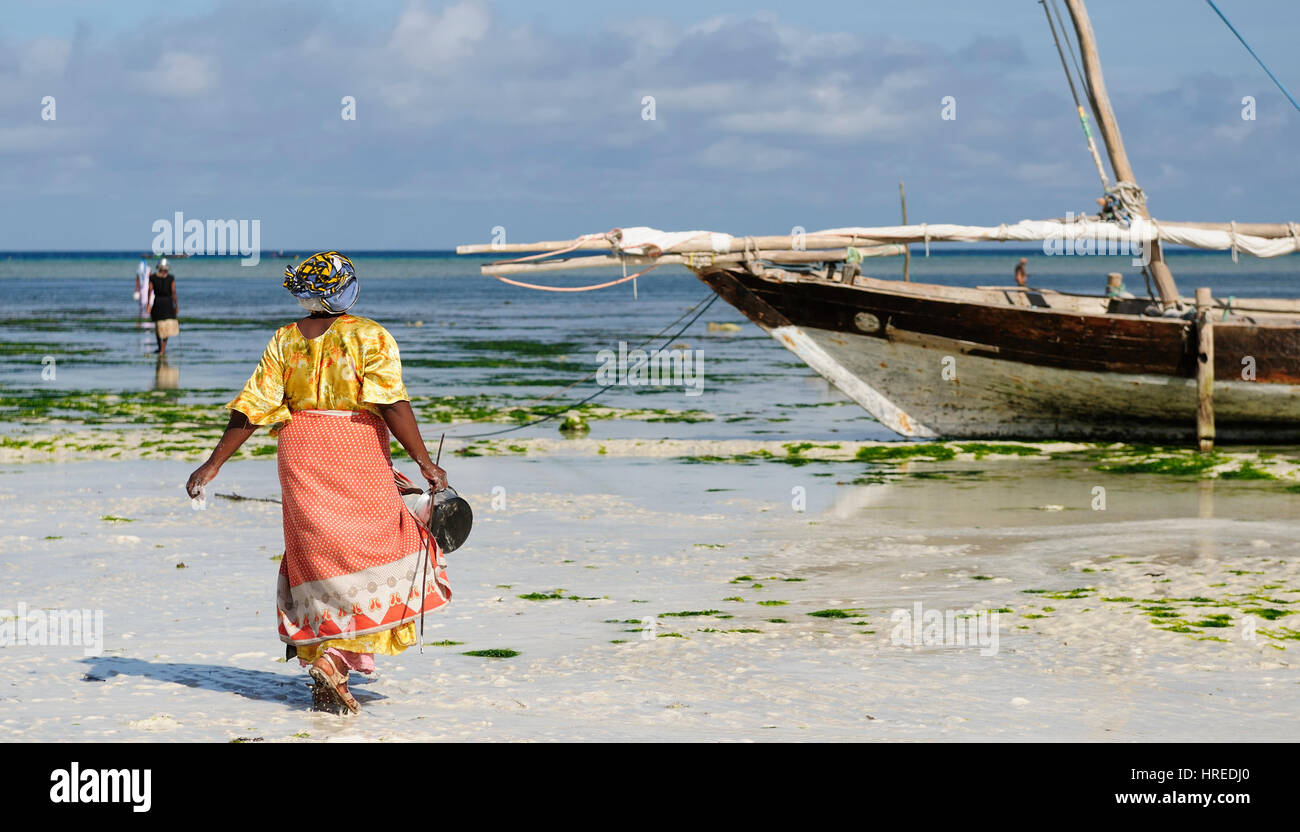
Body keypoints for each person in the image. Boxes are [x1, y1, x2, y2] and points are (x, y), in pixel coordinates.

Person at [184, 251, 451, 715]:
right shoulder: (369, 335)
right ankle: (336, 658)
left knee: (320, 555)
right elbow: (391, 404)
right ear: (344, 288)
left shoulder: (285, 340)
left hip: (300, 452)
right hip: (355, 448)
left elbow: (251, 408)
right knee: (390, 545)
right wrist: (425, 463)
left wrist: (213, 464)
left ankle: (328, 654)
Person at [148, 260, 180, 353]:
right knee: (166, 326)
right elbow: (173, 292)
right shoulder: (170, 278)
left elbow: (149, 291)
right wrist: (176, 305)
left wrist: (148, 305)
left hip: (157, 302)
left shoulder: (153, 277)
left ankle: (160, 348)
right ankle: (162, 348)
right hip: (168, 303)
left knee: (158, 326)